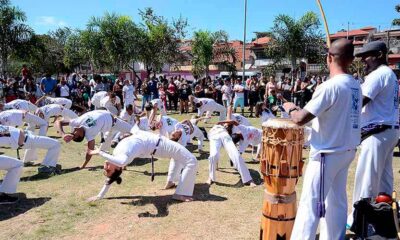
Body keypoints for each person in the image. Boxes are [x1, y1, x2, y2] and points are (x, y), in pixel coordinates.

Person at [282, 39, 361, 240]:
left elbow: (300, 119)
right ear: (351, 60)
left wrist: (290, 107)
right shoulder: (356, 85)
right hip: (347, 151)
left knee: (312, 203)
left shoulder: (329, 87)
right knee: (337, 202)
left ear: (329, 58)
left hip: (327, 154)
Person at [348, 41, 400, 227]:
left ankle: (360, 221)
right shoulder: (389, 74)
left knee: (367, 181)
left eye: (366, 56)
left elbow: (360, 102)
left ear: (379, 54)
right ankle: (383, 220)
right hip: (388, 132)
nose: (363, 60)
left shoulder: (379, 74)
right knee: (384, 183)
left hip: (378, 133)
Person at [86, 127, 198, 202]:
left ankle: (171, 182)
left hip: (160, 143)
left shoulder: (116, 155)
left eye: (104, 169)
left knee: (179, 158)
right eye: (108, 169)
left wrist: (99, 196)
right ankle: (180, 194)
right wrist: (99, 153)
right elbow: (121, 163)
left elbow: (110, 179)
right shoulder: (123, 158)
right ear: (117, 168)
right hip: (161, 146)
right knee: (191, 161)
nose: (105, 166)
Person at [55, 110, 132, 168]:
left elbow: (59, 122)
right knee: (103, 151)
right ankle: (122, 152)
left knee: (134, 131)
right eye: (74, 134)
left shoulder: (77, 122)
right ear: (81, 136)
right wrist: (84, 165)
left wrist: (63, 134)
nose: (74, 130)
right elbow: (89, 152)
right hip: (111, 127)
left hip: (115, 120)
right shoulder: (89, 135)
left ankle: (119, 141)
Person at [206, 122, 256, 187]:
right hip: (213, 134)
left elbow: (239, 132)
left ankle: (248, 179)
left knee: (236, 155)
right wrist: (223, 123)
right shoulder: (219, 124)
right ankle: (211, 177)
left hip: (224, 134)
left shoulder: (232, 128)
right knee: (213, 155)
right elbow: (221, 122)